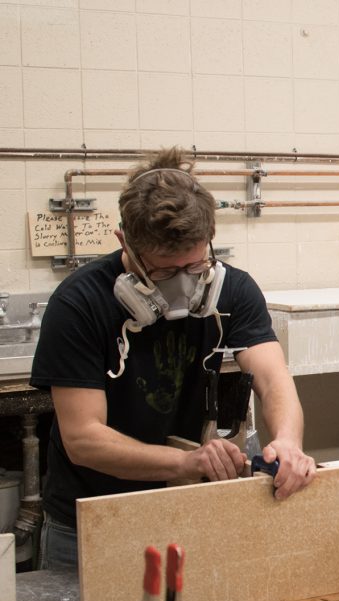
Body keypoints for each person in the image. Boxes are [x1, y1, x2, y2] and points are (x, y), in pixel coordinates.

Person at [30, 148, 316, 570]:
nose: (185, 286)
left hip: (189, 512)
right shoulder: (79, 304)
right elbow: (83, 439)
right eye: (165, 272)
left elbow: (273, 379)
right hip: (93, 524)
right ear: (125, 241)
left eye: (196, 265)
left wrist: (288, 443)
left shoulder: (233, 292)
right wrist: (187, 462)